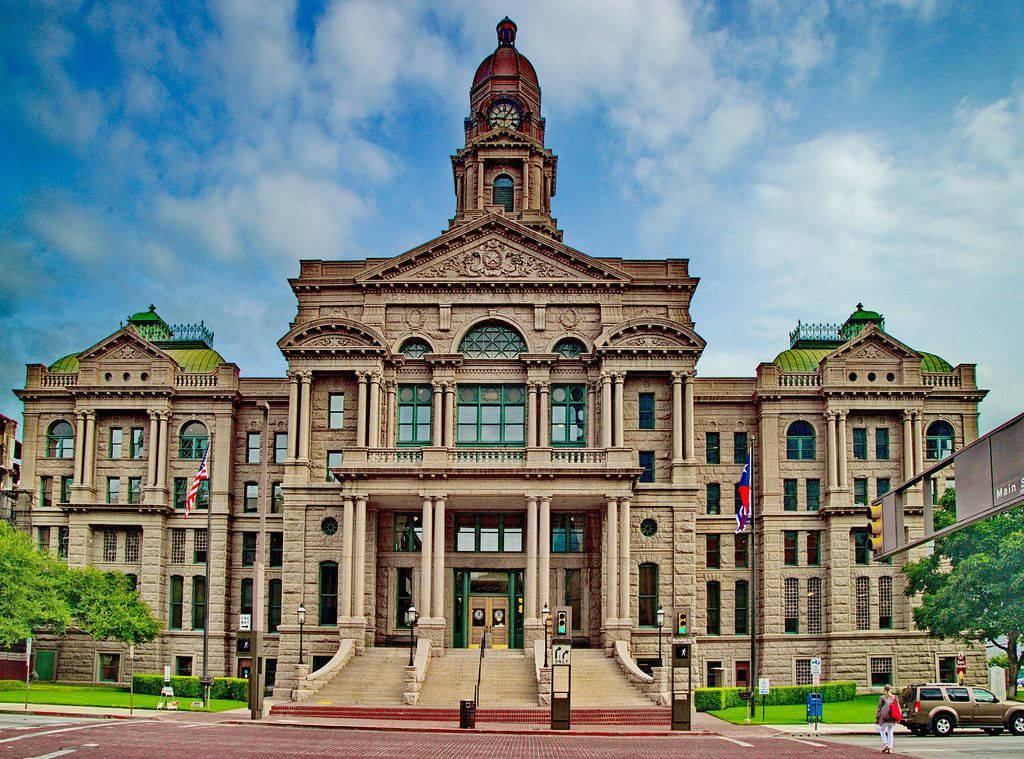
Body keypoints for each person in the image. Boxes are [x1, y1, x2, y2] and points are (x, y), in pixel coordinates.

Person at [876, 684, 898, 753]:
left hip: (884, 717)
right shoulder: (894, 697)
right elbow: (898, 707)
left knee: (882, 730)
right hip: (892, 717)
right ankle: (890, 748)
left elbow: (879, 708)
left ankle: (885, 744)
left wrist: (877, 716)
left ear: (884, 690)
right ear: (890, 689)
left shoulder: (882, 697)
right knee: (890, 732)